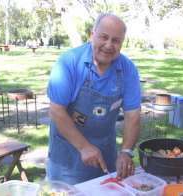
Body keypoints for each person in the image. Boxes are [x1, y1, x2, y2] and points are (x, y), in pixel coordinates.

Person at [46, 13, 141, 185]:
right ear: (92, 35)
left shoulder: (127, 69)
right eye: (104, 37)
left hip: (106, 151)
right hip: (68, 157)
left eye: (116, 40)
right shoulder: (69, 63)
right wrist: (83, 147)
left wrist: (126, 151)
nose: (109, 45)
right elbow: (56, 111)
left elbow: (133, 115)